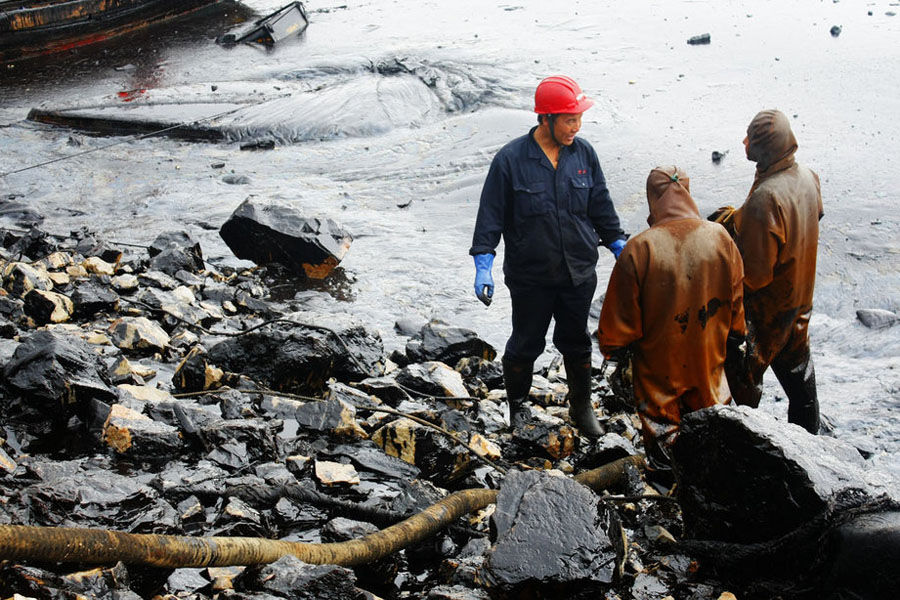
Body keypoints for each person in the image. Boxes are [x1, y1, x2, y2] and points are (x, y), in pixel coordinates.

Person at [469, 75, 627, 438]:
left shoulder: (584, 153)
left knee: (577, 340)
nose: (577, 126)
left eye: (579, 118)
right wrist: (483, 265)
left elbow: (600, 205)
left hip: (579, 273)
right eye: (570, 119)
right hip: (531, 277)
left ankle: (582, 407)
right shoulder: (510, 161)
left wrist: (618, 244)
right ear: (546, 118)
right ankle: (518, 408)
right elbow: (490, 216)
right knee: (526, 342)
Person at [597, 166, 747, 469]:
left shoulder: (641, 247)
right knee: (711, 417)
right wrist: (736, 335)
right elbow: (736, 301)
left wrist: (613, 351)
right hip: (709, 357)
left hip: (659, 365)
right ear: (686, 193)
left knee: (662, 425)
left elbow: (618, 321)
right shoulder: (720, 236)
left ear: (654, 198)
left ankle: (668, 474)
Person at [715, 109, 823, 434]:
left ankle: (746, 445)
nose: (744, 141)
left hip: (766, 314)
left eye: (751, 138)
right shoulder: (807, 176)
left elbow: (755, 276)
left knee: (744, 386)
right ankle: (809, 448)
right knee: (801, 385)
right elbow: (812, 219)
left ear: (764, 148)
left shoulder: (766, 198)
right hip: (799, 303)